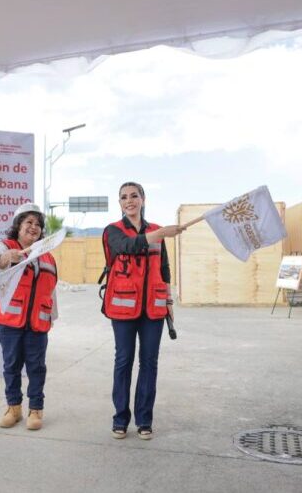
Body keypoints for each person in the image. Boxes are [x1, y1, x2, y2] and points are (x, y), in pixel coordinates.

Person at [100, 181, 183, 440]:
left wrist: (168, 301)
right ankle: (120, 419)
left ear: (143, 199)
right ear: (120, 203)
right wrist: (160, 234)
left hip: (154, 309)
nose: (129, 201)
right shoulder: (112, 231)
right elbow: (129, 246)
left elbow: (164, 268)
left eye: (134, 196)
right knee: (123, 362)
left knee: (149, 363)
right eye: (124, 197)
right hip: (123, 310)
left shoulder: (158, 231)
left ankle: (144, 420)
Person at [0, 203, 58, 431]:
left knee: (36, 367)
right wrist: (6, 258)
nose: (33, 227)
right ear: (18, 226)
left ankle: (35, 410)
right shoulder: (6, 247)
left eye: (37, 224)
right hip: (10, 321)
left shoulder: (46, 256)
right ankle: (13, 408)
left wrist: (51, 318)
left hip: (38, 323)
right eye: (29, 222)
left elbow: (51, 290)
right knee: (12, 365)